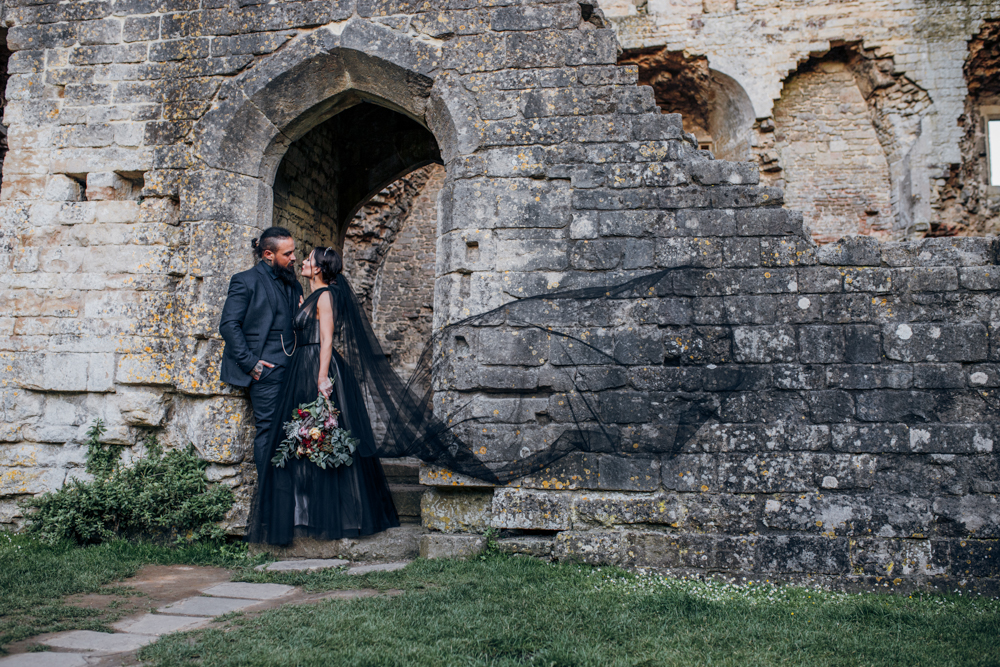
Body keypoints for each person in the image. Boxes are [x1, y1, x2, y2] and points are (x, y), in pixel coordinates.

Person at [247, 247, 399, 545]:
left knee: (323, 436)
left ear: (317, 268)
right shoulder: (314, 297)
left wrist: (321, 378)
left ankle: (337, 514)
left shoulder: (327, 295)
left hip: (316, 365)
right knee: (303, 437)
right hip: (302, 365)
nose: (302, 262)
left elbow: (327, 337)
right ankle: (303, 511)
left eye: (308, 259)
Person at [219, 227, 303, 480]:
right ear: (268, 254)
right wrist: (250, 363)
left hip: (294, 368)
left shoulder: (294, 282)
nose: (294, 258)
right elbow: (228, 325)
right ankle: (269, 495)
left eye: (294, 252)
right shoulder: (245, 280)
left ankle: (288, 493)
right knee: (269, 430)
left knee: (294, 430)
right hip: (265, 372)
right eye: (288, 253)